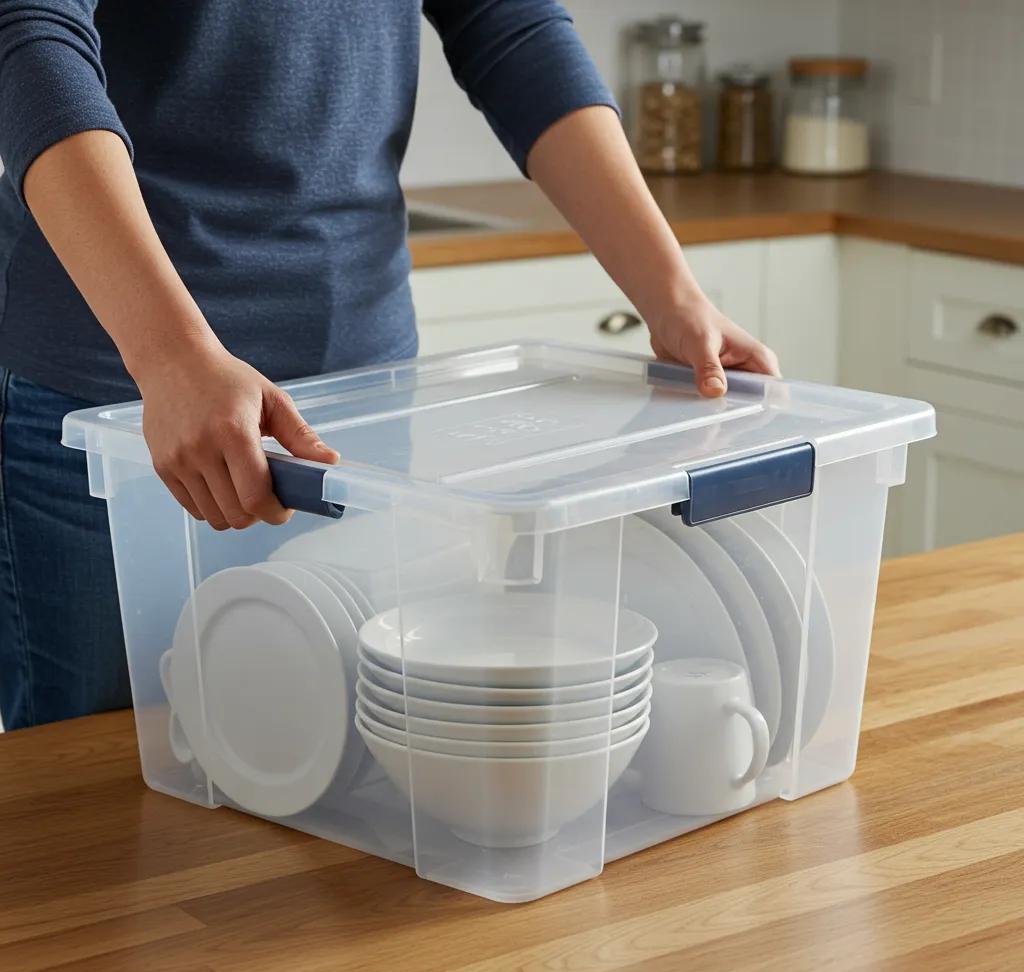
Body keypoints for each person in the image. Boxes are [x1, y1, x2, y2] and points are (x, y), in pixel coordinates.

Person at [0, 1, 779, 730]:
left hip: (364, 404)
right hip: (118, 401)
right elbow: (29, 33)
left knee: (336, 756)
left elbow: (510, 26)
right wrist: (169, 359)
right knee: (105, 785)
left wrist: (674, 295)